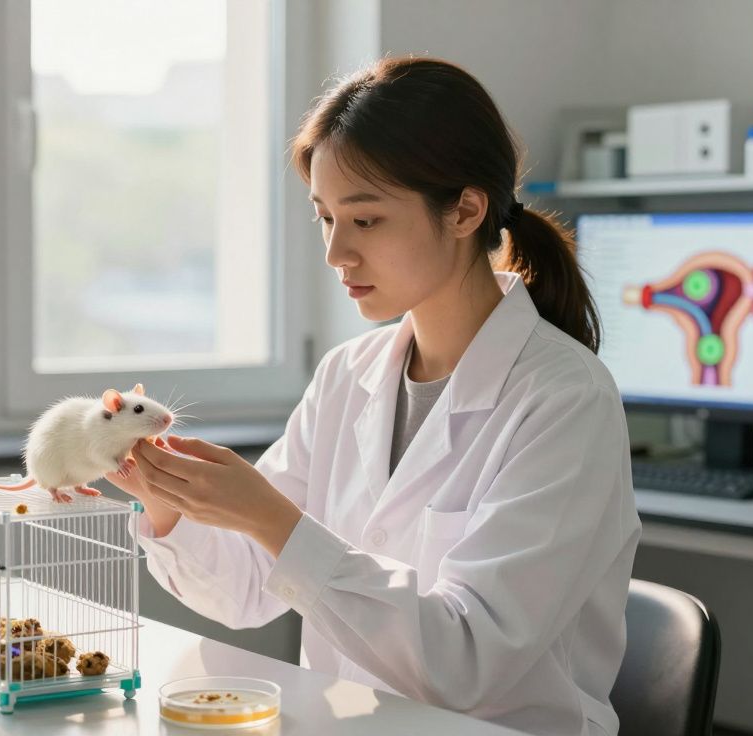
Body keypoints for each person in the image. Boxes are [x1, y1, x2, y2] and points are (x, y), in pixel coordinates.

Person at [106, 56, 640, 736]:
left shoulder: (566, 400)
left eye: (366, 221)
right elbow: (241, 590)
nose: (336, 253)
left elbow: (467, 662)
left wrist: (272, 520)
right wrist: (165, 497)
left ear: (465, 211)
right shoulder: (346, 376)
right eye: (324, 218)